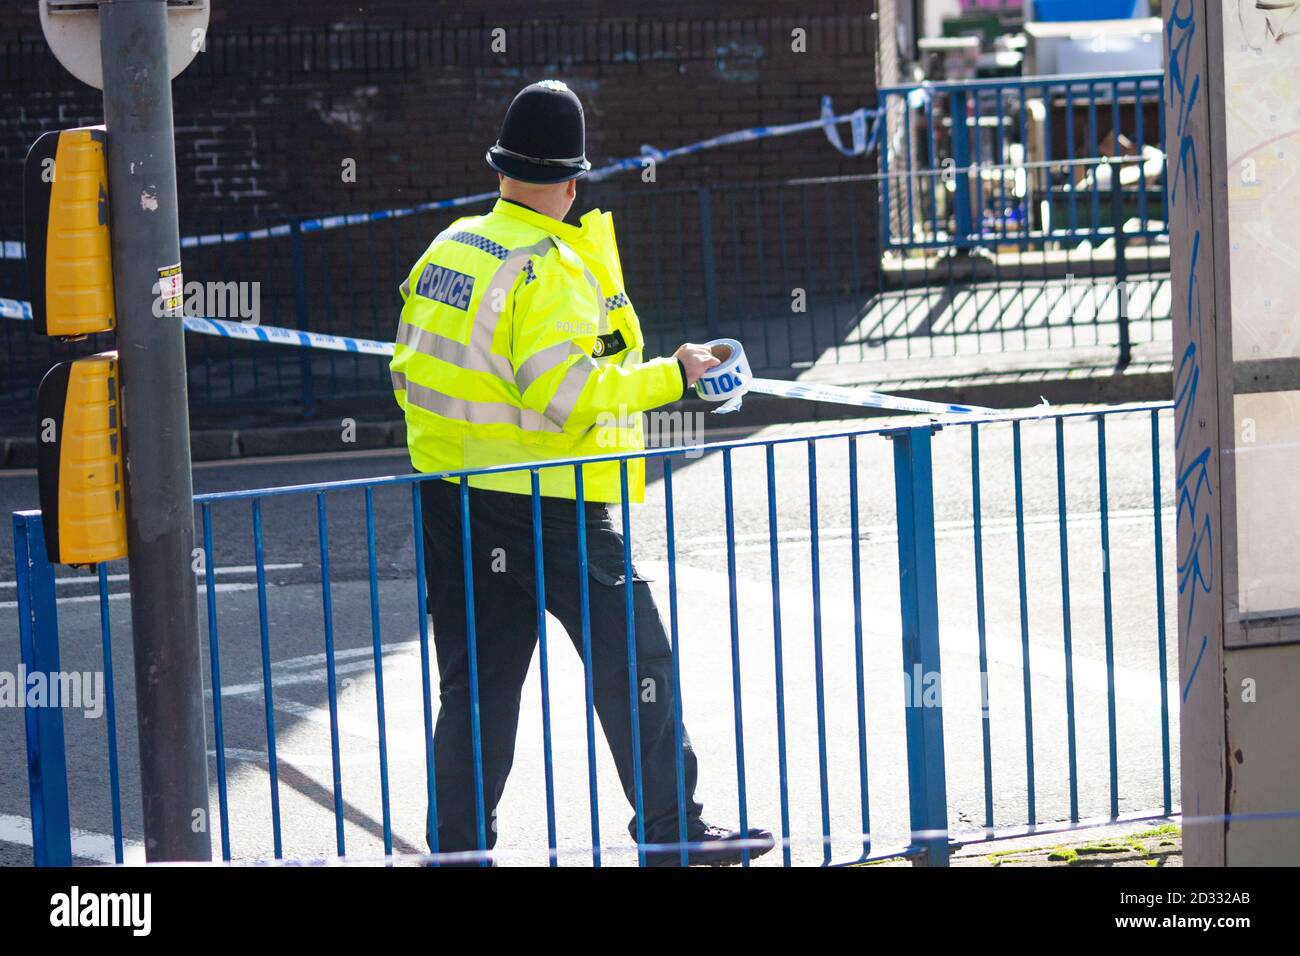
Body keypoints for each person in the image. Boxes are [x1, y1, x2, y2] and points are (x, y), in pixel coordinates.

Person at [391, 79, 775, 866]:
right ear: (572, 183)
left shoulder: (451, 248)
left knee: (477, 687)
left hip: (451, 497)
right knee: (637, 665)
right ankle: (673, 833)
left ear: (501, 170)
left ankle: (456, 853)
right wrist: (675, 375)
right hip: (550, 496)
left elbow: (407, 372)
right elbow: (574, 396)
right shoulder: (552, 266)